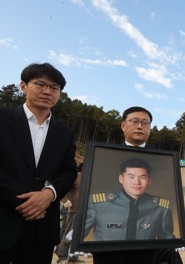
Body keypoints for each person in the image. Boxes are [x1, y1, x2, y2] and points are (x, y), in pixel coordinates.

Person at [0, 62, 77, 264]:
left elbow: (68, 172)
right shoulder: (3, 119)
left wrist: (48, 194)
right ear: (23, 85)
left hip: (42, 228)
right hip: (4, 218)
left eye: (54, 88)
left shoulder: (65, 133)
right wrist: (26, 202)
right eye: (40, 84)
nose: (47, 91)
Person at [91, 106, 183, 264]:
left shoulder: (163, 159)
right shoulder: (102, 154)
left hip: (148, 252)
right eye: (134, 121)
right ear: (123, 125)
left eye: (145, 123)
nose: (140, 126)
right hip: (109, 251)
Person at [84, 157, 174, 240]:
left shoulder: (160, 208)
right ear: (121, 179)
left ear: (149, 181)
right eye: (131, 177)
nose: (136, 182)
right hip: (107, 257)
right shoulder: (98, 204)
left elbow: (167, 239)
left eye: (142, 177)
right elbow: (77, 233)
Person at [56, 163, 84, 263]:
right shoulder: (76, 176)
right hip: (74, 209)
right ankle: (62, 257)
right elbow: (61, 189)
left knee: (80, 236)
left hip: (87, 211)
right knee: (69, 234)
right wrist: (64, 200)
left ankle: (73, 257)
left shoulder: (92, 178)